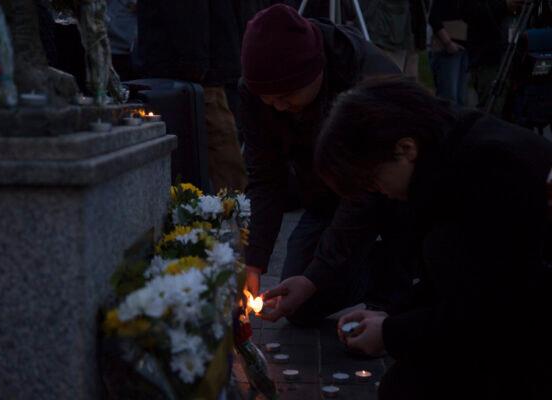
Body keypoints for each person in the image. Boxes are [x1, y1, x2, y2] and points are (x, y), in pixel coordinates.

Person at [315, 77, 552, 399]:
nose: (379, 192)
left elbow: (493, 305)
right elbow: (450, 278)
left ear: (405, 149)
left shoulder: (490, 170)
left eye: (373, 180)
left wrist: (391, 333)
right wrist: (390, 317)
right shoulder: (442, 158)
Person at [241, 4, 415, 326]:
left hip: (386, 194)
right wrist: (254, 261)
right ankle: (369, 270)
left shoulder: (367, 80)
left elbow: (365, 193)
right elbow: (266, 177)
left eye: (288, 96)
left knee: (317, 279)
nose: (279, 108)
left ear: (316, 71)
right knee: (300, 306)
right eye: (269, 100)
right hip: (324, 195)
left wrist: (316, 275)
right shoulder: (258, 89)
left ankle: (398, 275)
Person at [135, 0, 248, 192]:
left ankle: (233, 212)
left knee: (218, 149)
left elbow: (189, 13)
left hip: (191, 73)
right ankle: (230, 208)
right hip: (192, 69)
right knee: (211, 148)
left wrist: (194, 66)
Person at [428, 0, 470, 105]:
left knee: (461, 98)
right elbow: (434, 18)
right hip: (447, 49)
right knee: (449, 98)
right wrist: (448, 42)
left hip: (465, 49)